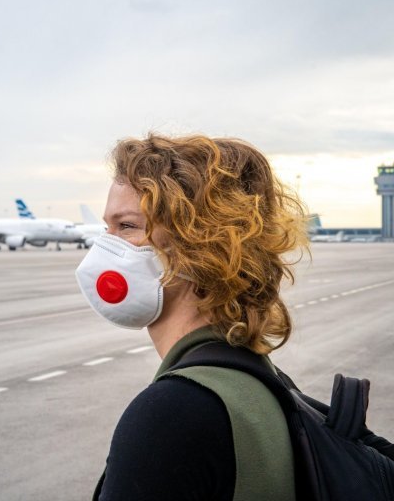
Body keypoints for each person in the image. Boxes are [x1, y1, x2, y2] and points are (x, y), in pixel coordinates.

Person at [75, 133, 309, 501]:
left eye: (127, 227)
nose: (105, 246)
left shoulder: (171, 416)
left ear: (197, 248)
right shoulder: (261, 381)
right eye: (107, 228)